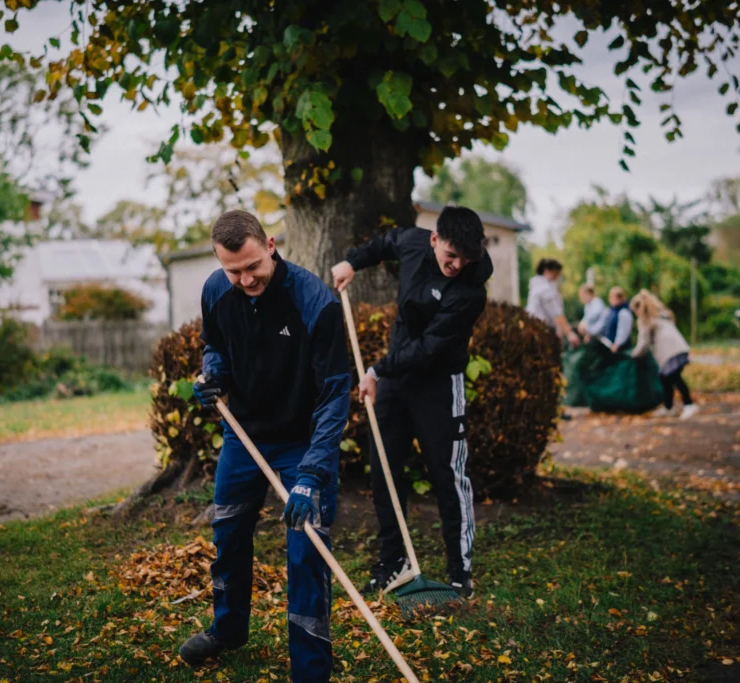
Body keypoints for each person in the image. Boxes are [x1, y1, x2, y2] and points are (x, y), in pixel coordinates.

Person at [179, 210, 351, 682]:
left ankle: (311, 671)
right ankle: (228, 629)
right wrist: (213, 376)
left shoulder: (314, 302)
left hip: (302, 441)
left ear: (270, 244)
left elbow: (336, 394)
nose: (245, 278)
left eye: (252, 266)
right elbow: (213, 345)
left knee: (306, 550)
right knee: (229, 533)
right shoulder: (217, 290)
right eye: (233, 270)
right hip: (245, 434)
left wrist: (312, 475)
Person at [329, 207, 492, 598]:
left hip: (437, 382)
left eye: (465, 259)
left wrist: (375, 371)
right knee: (385, 468)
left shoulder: (469, 291)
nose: (456, 265)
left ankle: (459, 572)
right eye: (450, 256)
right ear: (434, 240)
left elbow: (429, 350)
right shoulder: (415, 242)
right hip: (395, 380)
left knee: (447, 474)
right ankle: (392, 562)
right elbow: (385, 242)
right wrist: (353, 261)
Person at [629, 289, 698, 419]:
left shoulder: (645, 319)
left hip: (670, 352)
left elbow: (644, 342)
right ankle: (668, 406)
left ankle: (689, 405)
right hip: (678, 348)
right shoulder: (660, 315)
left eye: (635, 311)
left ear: (638, 308)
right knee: (665, 378)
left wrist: (634, 355)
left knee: (674, 378)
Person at [526, 258, 580, 347]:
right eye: (556, 273)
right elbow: (557, 314)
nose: (558, 277)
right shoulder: (545, 289)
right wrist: (570, 334)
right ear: (547, 271)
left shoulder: (536, 286)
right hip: (541, 332)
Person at [601, 286, 633, 352]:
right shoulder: (609, 310)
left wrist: (617, 344)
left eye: (616, 297)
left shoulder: (624, 312)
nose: (613, 299)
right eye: (611, 297)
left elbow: (623, 331)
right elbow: (603, 325)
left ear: (621, 298)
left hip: (620, 349)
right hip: (608, 345)